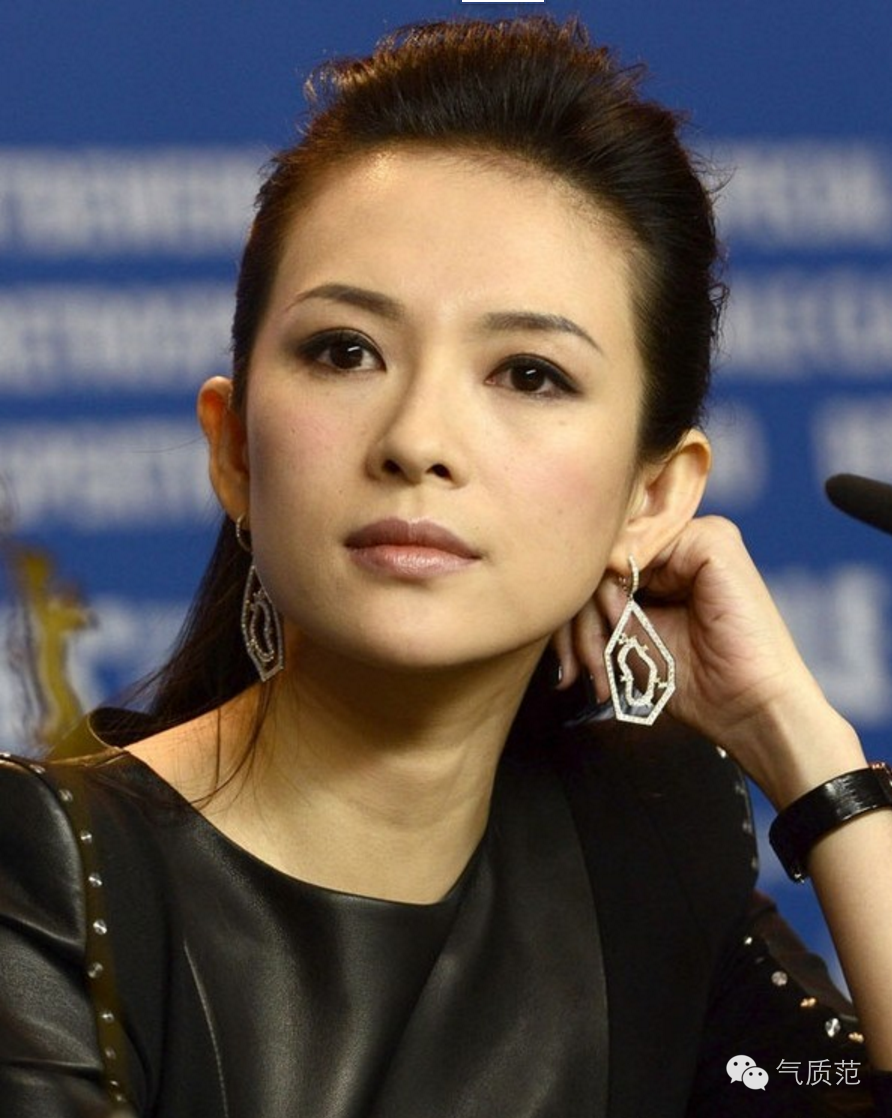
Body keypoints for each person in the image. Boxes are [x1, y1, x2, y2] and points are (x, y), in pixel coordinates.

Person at [1, 15, 891, 1117]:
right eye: (346, 351)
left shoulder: (648, 837)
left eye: (528, 373)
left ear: (653, 498)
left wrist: (805, 751)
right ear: (233, 450)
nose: (417, 438)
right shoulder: (50, 871)